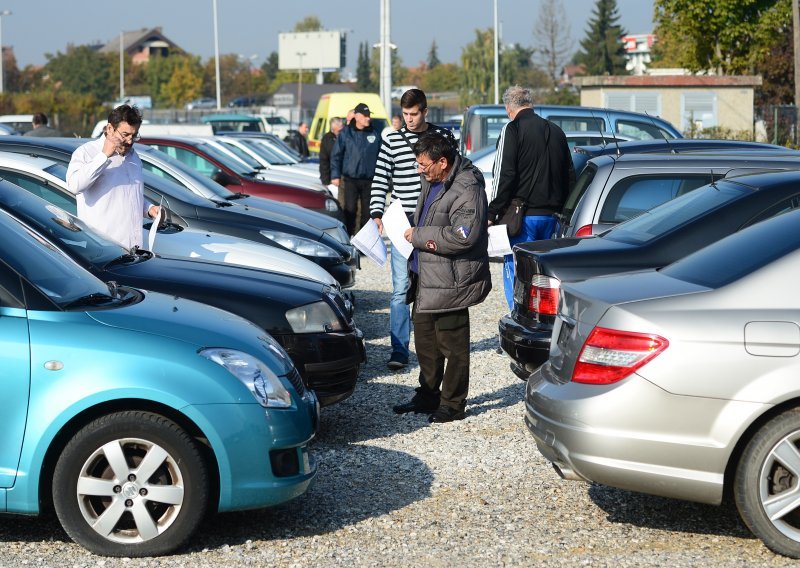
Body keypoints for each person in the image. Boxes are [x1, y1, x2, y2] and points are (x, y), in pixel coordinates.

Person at [392, 131, 491, 424]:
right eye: (418, 164)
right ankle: (427, 394)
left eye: (423, 165)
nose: (419, 170)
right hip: (425, 277)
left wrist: (419, 235)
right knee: (425, 344)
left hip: (452, 282)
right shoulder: (432, 180)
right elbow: (432, 219)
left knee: (453, 347)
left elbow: (464, 235)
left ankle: (452, 404)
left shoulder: (467, 188)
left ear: (443, 162)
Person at [369, 88, 447, 370]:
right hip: (401, 222)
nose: (409, 120)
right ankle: (399, 349)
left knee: (432, 286)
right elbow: (380, 179)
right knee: (401, 287)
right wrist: (376, 213)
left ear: (425, 111)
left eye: (414, 114)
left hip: (433, 221)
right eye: (405, 115)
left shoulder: (442, 139)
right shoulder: (392, 141)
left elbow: (456, 175)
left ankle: (433, 346)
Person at [488, 85, 574, 310]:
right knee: (545, 280)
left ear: (508, 108)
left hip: (522, 219)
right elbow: (569, 176)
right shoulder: (556, 131)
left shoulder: (512, 129)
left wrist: (491, 212)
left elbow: (504, 175)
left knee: (516, 273)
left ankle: (518, 325)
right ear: (530, 103)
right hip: (552, 218)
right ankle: (544, 326)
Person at [67, 104, 160, 251]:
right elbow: (74, 185)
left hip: (134, 250)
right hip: (101, 252)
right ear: (110, 129)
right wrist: (104, 156)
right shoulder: (86, 153)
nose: (130, 141)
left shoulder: (133, 156)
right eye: (125, 135)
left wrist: (149, 209)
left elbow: (129, 195)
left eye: (134, 135)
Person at [331, 102, 382, 235]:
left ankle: (363, 241)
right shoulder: (346, 133)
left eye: (369, 115)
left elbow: (381, 156)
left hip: (369, 180)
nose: (368, 118)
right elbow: (336, 155)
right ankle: (348, 238)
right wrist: (335, 175)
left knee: (367, 212)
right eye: (365, 116)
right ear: (357, 116)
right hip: (350, 179)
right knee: (350, 210)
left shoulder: (375, 133)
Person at [319, 116, 345, 187]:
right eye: (339, 131)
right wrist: (326, 180)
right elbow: (331, 158)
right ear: (333, 129)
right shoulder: (328, 139)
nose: (341, 132)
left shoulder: (342, 136)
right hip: (331, 178)